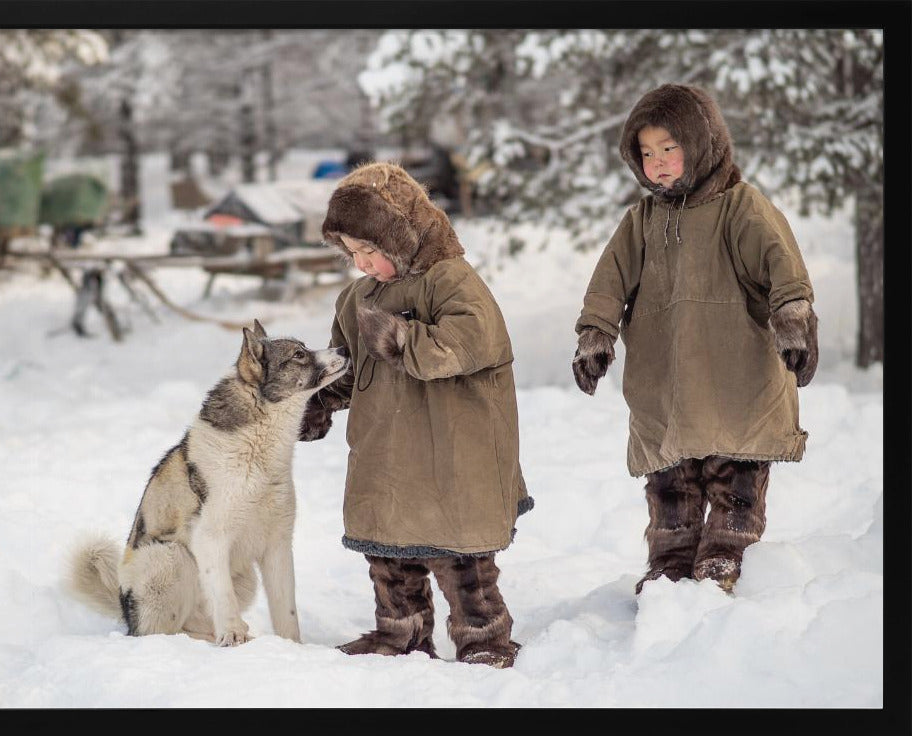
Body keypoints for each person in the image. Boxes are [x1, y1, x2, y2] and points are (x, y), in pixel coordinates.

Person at [572, 84, 819, 595]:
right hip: (666, 384)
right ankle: (670, 560)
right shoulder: (641, 221)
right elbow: (608, 282)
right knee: (671, 482)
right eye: (647, 153)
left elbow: (781, 264)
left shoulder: (740, 206)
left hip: (735, 378)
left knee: (735, 477)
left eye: (670, 148)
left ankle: (727, 550)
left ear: (701, 143)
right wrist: (595, 333)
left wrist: (793, 318)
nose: (658, 163)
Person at [300, 161, 533, 668]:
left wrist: (403, 338)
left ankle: (484, 636)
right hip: (384, 450)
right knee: (388, 552)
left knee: (461, 556)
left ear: (401, 236)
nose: (362, 263)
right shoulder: (355, 298)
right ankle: (400, 632)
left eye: (370, 249)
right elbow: (348, 365)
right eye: (351, 252)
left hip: (451, 447)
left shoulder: (451, 279)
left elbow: (475, 339)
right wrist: (317, 400)